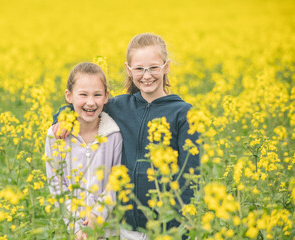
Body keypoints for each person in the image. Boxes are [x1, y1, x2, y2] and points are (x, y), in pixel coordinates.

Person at [52, 33, 200, 240]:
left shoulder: (183, 113)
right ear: (129, 70)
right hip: (127, 225)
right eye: (139, 69)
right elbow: (86, 106)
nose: (146, 75)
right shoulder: (120, 106)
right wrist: (63, 116)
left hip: (168, 226)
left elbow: (190, 175)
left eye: (153, 68)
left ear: (166, 67)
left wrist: (178, 222)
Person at [45, 62, 122, 240]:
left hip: (106, 231)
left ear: (106, 97)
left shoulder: (114, 135)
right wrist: (75, 225)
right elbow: (56, 184)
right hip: (69, 229)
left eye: (97, 95)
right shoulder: (55, 135)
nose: (90, 102)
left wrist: (97, 216)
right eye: (83, 95)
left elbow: (114, 182)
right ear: (69, 96)